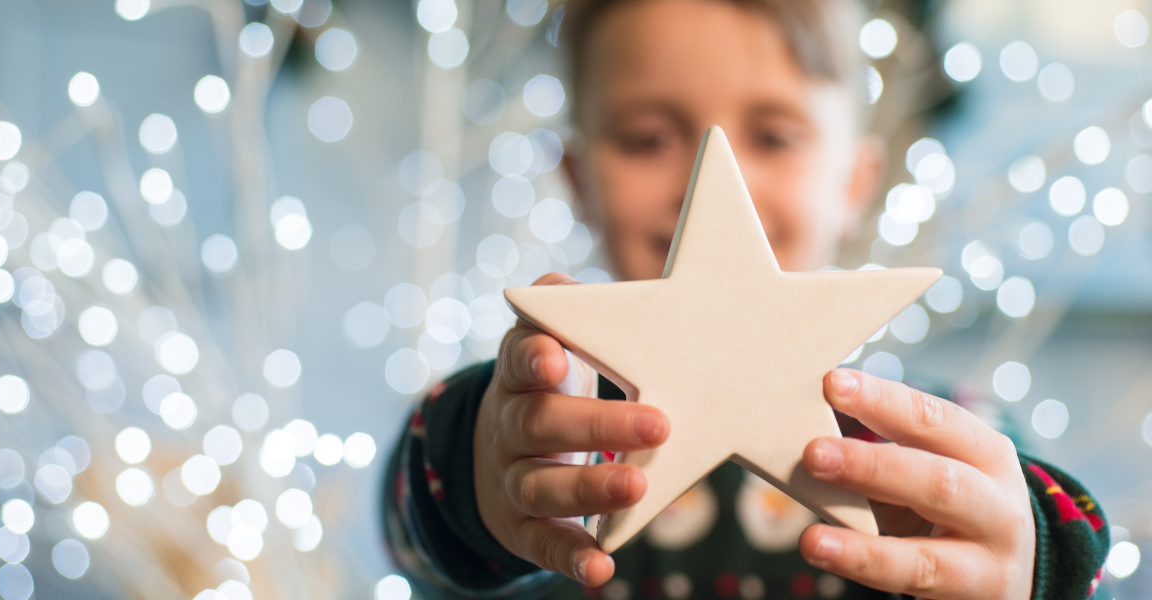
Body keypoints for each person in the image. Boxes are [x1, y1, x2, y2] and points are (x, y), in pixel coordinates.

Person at [382, 0, 1110, 598]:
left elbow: (1090, 569)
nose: (710, 171)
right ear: (577, 181)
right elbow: (409, 533)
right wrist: (477, 470)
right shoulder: (551, 433)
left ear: (856, 183)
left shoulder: (938, 447)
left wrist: (1036, 566)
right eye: (646, 138)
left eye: (774, 135)